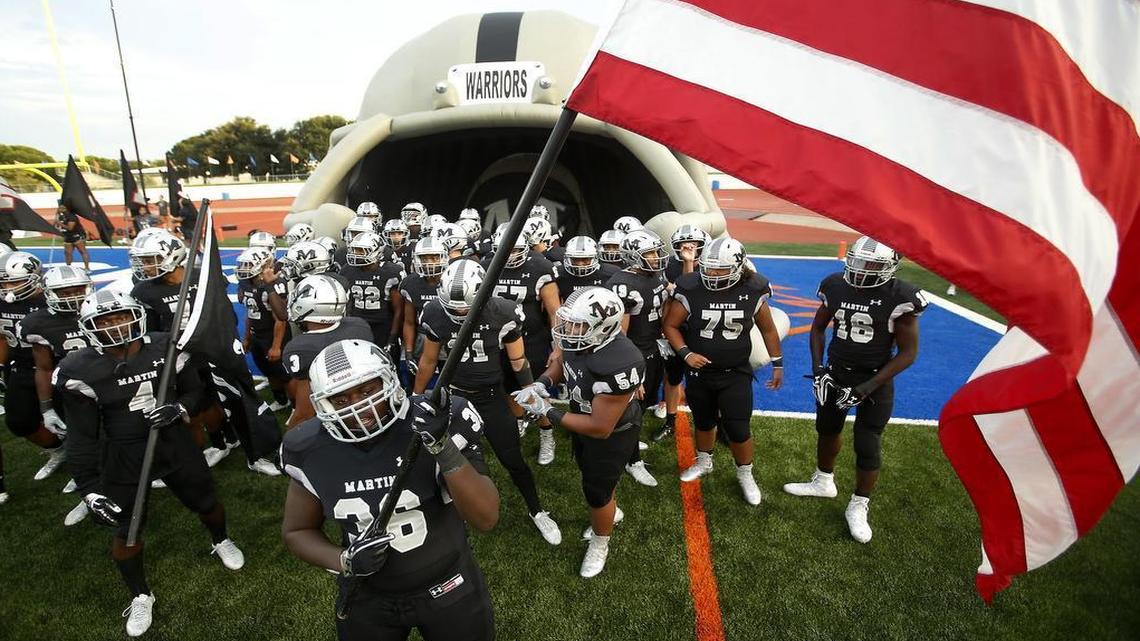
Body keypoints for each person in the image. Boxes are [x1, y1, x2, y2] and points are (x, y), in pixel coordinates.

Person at [281, 339, 498, 641]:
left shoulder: (434, 421)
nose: (359, 406)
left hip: (447, 584)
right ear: (321, 404)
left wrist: (441, 446)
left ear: (390, 381)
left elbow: (486, 517)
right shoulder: (308, 448)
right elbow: (297, 531)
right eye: (341, 399)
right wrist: (344, 560)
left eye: (367, 390)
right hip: (368, 594)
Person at [57, 289, 244, 638]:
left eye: (121, 316)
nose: (115, 325)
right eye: (105, 320)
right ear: (89, 327)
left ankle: (221, 539)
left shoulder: (167, 346)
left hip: (173, 442)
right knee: (126, 529)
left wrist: (180, 408)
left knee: (205, 500)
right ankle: (141, 593)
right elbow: (82, 436)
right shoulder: (79, 369)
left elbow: (198, 392)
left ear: (137, 316)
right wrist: (88, 489)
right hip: (124, 454)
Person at [783, 236, 926, 543]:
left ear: (890, 267)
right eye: (859, 261)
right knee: (827, 428)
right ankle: (823, 481)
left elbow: (907, 353)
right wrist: (819, 369)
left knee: (867, 441)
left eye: (872, 264)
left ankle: (859, 504)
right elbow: (818, 327)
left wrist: (867, 388)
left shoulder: (899, 296)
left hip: (875, 379)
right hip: (836, 373)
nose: (862, 269)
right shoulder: (835, 285)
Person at [417, 260, 561, 545]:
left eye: (465, 308)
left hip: (491, 398)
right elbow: (429, 360)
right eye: (453, 308)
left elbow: (517, 359)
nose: (459, 314)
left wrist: (529, 389)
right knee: (452, 462)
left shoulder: (502, 311)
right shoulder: (435, 312)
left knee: (513, 460)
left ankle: (537, 510)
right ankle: (452, 516)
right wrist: (417, 397)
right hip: (455, 399)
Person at [513, 287, 645, 577]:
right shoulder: (581, 339)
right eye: (569, 321)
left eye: (578, 325)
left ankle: (601, 542)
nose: (568, 329)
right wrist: (541, 383)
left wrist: (547, 411)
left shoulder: (619, 361)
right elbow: (563, 363)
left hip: (612, 431)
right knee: (591, 475)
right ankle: (612, 508)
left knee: (596, 493)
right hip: (583, 416)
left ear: (602, 328)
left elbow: (599, 428)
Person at [663, 237, 784, 505]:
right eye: (707, 268)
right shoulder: (691, 285)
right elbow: (670, 325)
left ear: (739, 268)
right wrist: (687, 353)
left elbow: (767, 328)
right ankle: (704, 462)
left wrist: (778, 362)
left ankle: (745, 473)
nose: (711, 274)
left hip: (735, 372)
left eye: (719, 269)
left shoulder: (754, 287)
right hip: (700, 373)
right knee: (704, 421)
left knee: (738, 427)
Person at [19, 265, 95, 524]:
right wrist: (46, 407)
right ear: (48, 293)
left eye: (77, 289)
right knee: (80, 446)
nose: (72, 295)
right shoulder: (38, 322)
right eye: (64, 291)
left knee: (122, 441)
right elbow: (43, 367)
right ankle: (90, 494)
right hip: (72, 394)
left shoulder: (101, 308)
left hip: (110, 386)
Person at [483, 224, 562, 465]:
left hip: (531, 339)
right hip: (499, 340)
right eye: (504, 250)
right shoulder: (488, 265)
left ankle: (546, 432)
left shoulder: (540, 266)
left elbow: (554, 311)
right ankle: (519, 421)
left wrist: (557, 347)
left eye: (515, 249)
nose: (509, 255)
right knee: (508, 386)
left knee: (534, 387)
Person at [606, 229, 671, 487]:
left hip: (653, 349)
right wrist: (632, 372)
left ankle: (627, 444)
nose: (657, 258)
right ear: (634, 256)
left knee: (642, 407)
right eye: (651, 253)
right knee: (631, 409)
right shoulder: (623, 284)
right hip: (636, 354)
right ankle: (631, 460)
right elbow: (619, 336)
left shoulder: (653, 275)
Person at [0, 252, 67, 482]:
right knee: (19, 421)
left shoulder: (52, 301)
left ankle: (82, 454)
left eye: (14, 281)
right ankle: (59, 451)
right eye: (4, 282)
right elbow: (2, 337)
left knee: (71, 416)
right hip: (21, 365)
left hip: (57, 365)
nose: (7, 287)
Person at [281, 274, 373, 428]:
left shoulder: (302, 347)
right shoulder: (359, 325)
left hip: (336, 411)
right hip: (366, 399)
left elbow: (305, 414)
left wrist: (289, 442)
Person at [652, 223, 710, 441]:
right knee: (673, 377)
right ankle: (671, 421)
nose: (688, 247)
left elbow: (691, 291)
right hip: (677, 328)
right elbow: (683, 291)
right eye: (683, 244)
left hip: (704, 329)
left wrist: (689, 263)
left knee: (710, 379)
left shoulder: (712, 266)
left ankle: (719, 423)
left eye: (694, 244)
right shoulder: (669, 267)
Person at [236, 248, 291, 413]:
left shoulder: (276, 284)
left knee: (285, 374)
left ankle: (297, 404)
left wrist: (276, 346)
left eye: (248, 265)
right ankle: (281, 401)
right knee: (268, 371)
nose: (243, 268)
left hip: (273, 335)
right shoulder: (245, 283)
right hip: (257, 335)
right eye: (243, 265)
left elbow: (280, 320)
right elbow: (250, 313)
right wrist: (246, 337)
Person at [340, 231, 406, 358]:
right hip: (357, 323)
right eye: (354, 250)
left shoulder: (390, 272)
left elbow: (398, 310)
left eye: (361, 251)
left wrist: (392, 338)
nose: (356, 254)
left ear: (377, 251)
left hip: (382, 326)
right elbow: (348, 303)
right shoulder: (347, 270)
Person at [397, 237, 447, 388]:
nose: (429, 262)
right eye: (424, 258)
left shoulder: (452, 280)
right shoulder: (411, 283)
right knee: (416, 381)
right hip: (422, 336)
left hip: (449, 336)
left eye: (434, 257)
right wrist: (409, 351)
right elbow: (409, 321)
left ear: (443, 257)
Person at [57, 200, 91, 271]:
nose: (60, 209)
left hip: (77, 235)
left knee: (82, 251)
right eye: (59, 208)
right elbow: (57, 226)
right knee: (67, 253)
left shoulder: (72, 216)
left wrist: (59, 223)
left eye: (62, 208)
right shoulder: (61, 216)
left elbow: (70, 228)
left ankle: (87, 268)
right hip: (67, 237)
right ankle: (68, 267)